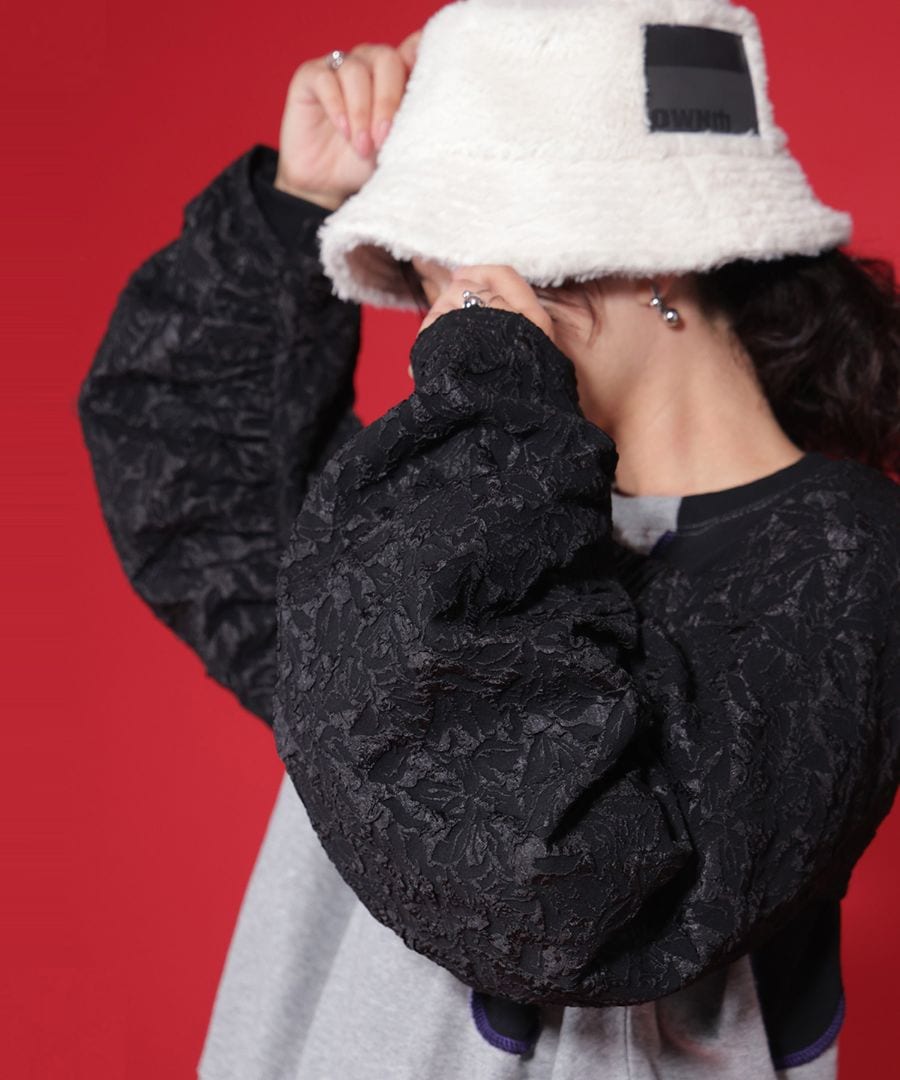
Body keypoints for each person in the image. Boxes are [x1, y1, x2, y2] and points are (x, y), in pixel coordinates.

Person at [77, 1, 900, 1077]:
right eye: (429, 285)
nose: (443, 331)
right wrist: (300, 200)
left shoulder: (844, 558)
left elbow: (549, 884)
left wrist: (498, 391)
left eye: (467, 278)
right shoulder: (469, 503)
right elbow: (198, 496)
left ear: (646, 252)